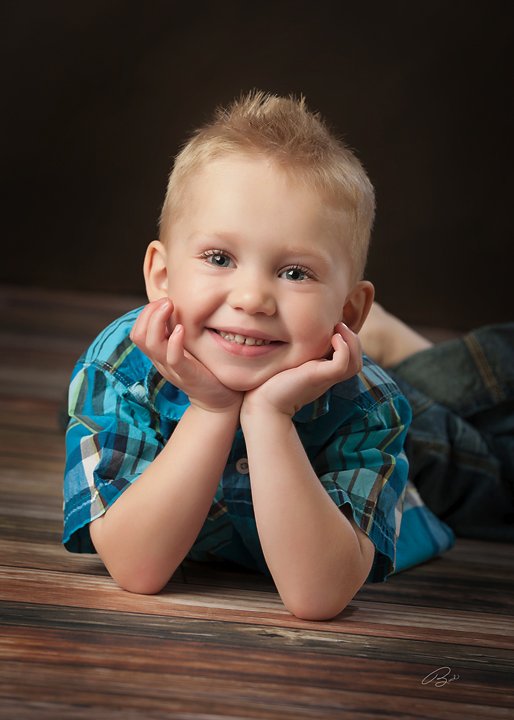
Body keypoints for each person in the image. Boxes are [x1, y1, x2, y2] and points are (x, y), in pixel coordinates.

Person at [63, 91, 456, 620]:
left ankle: (400, 346)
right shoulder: (120, 365)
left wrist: (270, 415)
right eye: (219, 258)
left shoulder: (369, 402)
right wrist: (213, 408)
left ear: (348, 310)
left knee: (482, 448)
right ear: (162, 275)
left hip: (427, 468)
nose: (251, 299)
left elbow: (318, 597)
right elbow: (137, 569)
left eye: (295, 273)